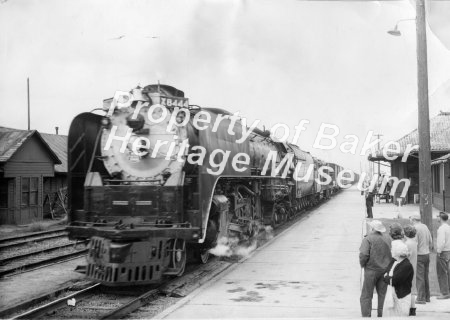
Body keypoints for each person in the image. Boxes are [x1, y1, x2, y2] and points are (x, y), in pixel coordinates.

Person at [359, 220, 392, 317]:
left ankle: (366, 316)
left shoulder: (368, 239)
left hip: (371, 270)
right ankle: (380, 315)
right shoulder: (388, 238)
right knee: (382, 295)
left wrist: (362, 264)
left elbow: (363, 255)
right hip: (384, 270)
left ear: (372, 228)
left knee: (366, 295)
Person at [384, 240, 414, 316]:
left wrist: (387, 278)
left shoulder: (406, 265)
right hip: (392, 297)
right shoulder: (394, 261)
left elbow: (394, 280)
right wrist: (388, 277)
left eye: (392, 249)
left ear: (397, 252)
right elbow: (386, 272)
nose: (391, 251)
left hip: (401, 298)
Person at [409, 214, 433, 304]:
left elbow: (414, 243)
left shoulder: (415, 228)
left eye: (410, 218)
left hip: (419, 255)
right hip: (427, 254)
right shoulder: (425, 226)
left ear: (414, 219)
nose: (410, 220)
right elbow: (430, 241)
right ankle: (427, 297)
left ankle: (421, 298)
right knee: (425, 276)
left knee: (419, 277)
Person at [404, 225, 418, 316]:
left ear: (405, 234)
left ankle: (406, 307)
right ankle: (412, 308)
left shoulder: (407, 244)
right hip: (413, 267)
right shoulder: (414, 243)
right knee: (412, 289)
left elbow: (405, 255)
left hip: (406, 269)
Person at [436, 212, 450, 299]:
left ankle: (444, 293)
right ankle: (448, 291)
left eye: (437, 216)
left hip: (443, 252)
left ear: (440, 218)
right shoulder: (448, 227)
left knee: (442, 273)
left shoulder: (441, 229)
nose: (437, 217)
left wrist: (438, 251)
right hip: (448, 251)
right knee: (448, 272)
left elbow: (442, 241)